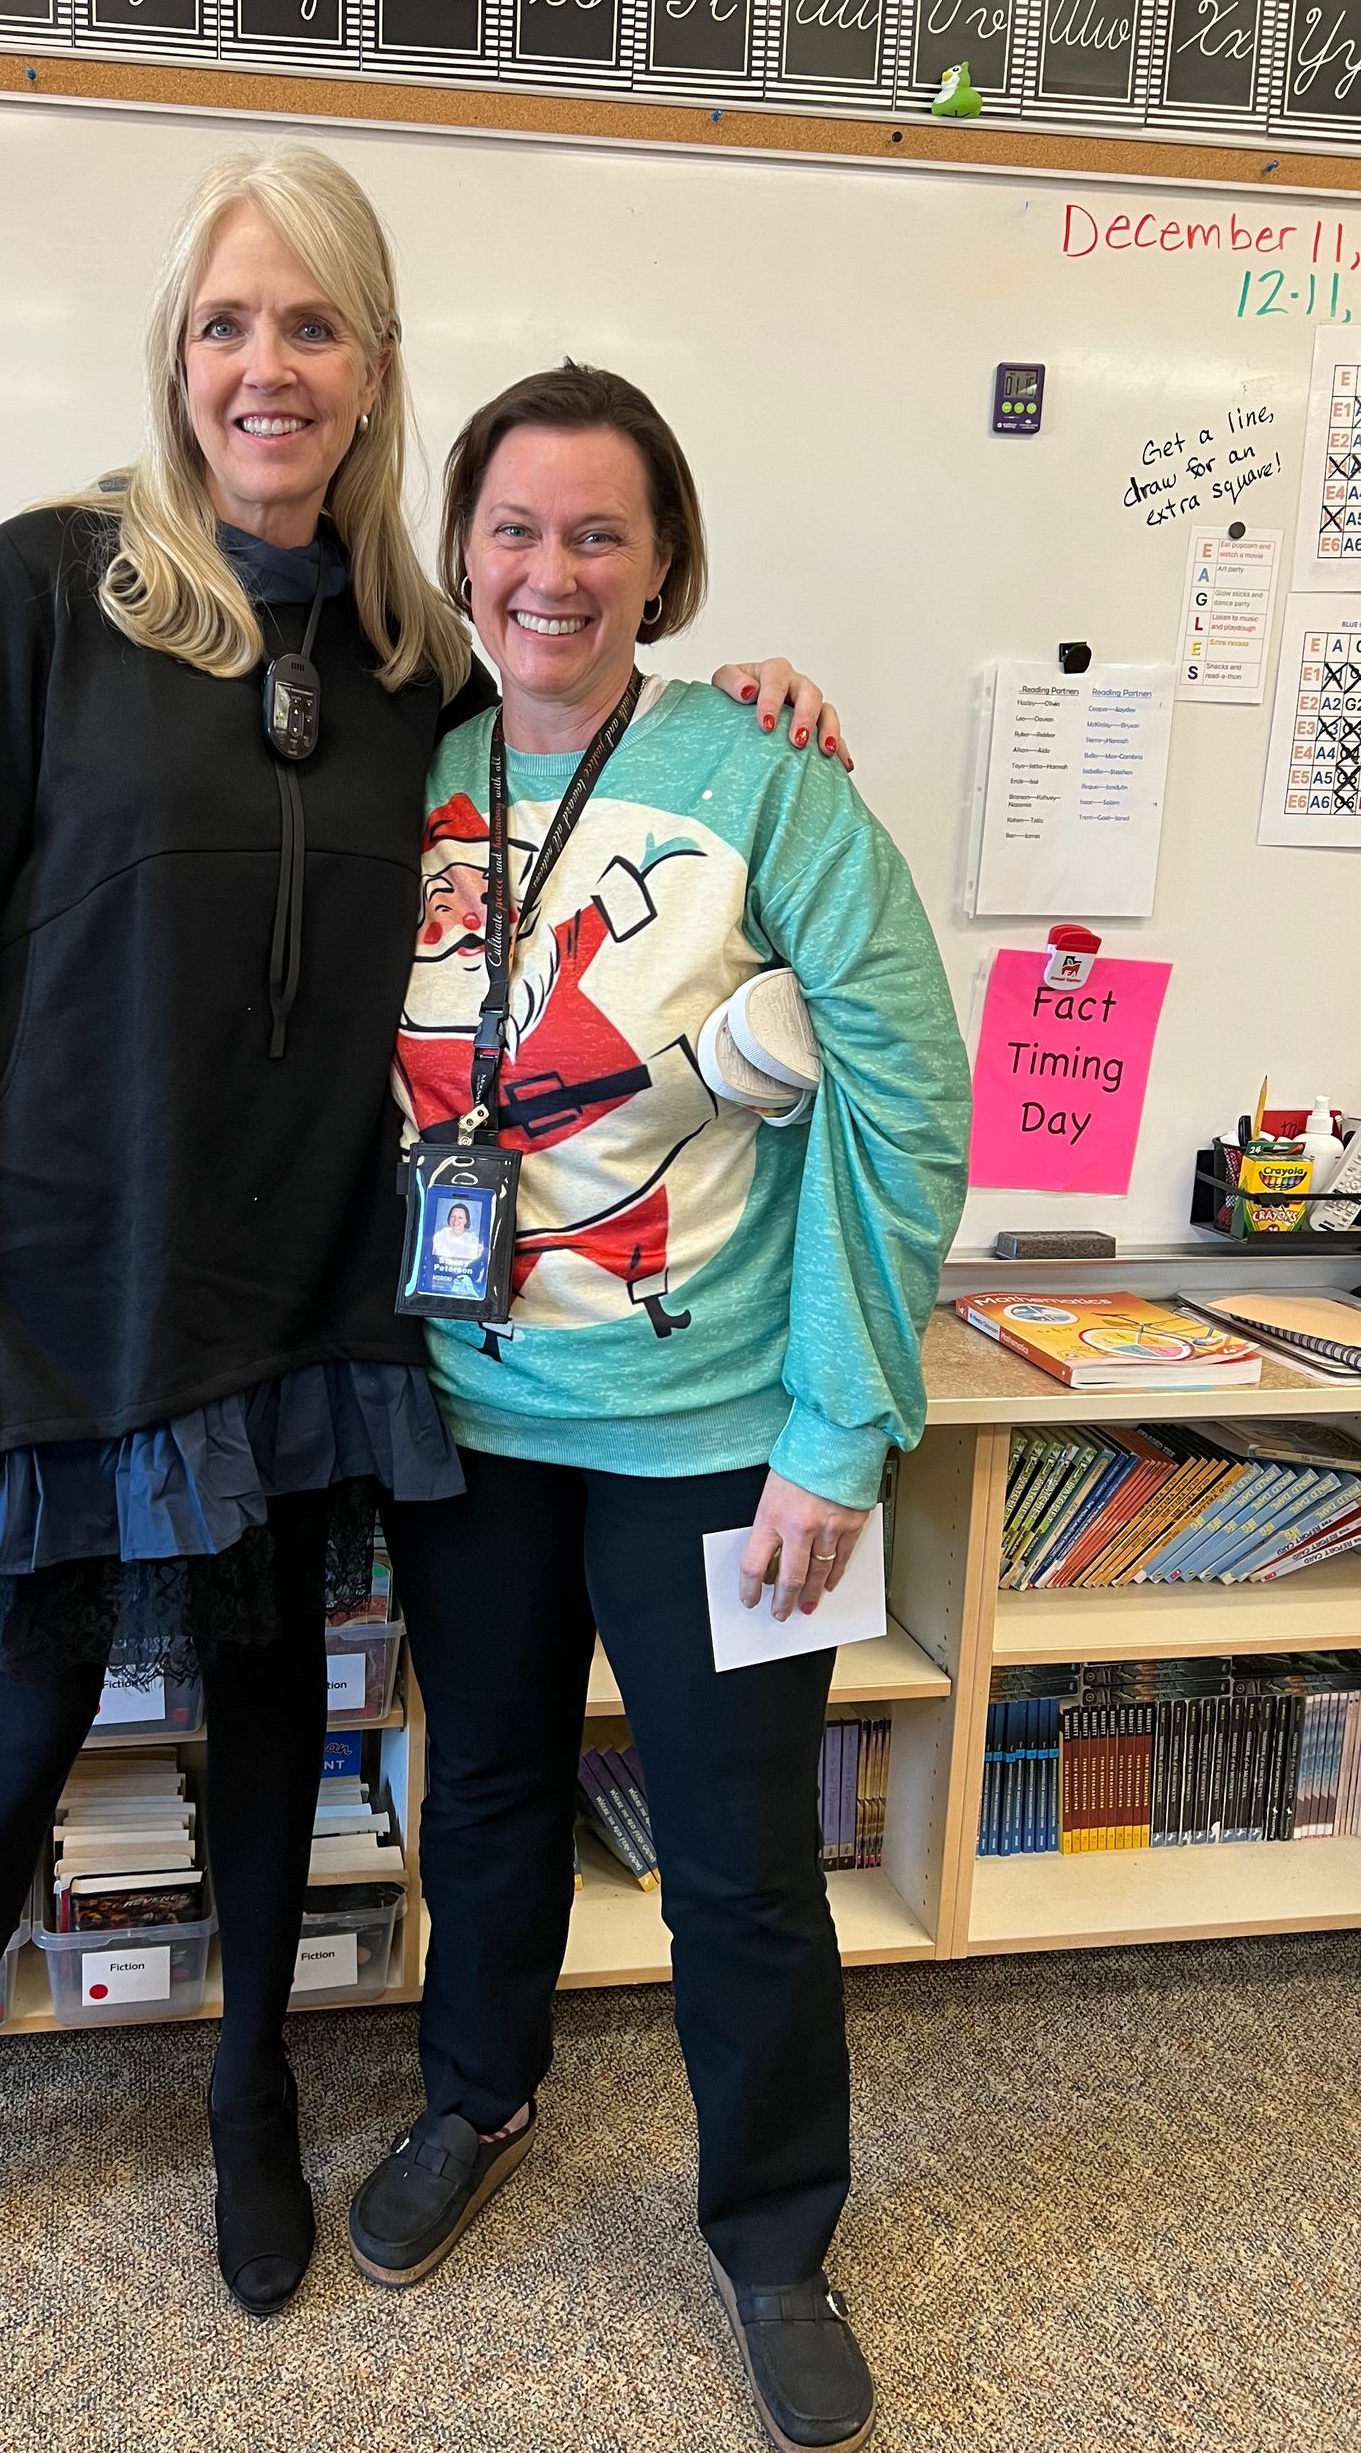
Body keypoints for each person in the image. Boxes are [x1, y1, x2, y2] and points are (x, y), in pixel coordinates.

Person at [0, 149, 844, 2325]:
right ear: (178, 358)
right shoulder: (45, 588)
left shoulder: (407, 650)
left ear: (370, 368)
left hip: (303, 1288)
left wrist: (749, 703)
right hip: (67, 1279)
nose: (268, 365)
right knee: (21, 1697)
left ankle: (253, 2083)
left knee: (279, 1705)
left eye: (314, 326)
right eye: (227, 325)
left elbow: (580, 713)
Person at [353, 364, 970, 2453]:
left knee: (737, 1856)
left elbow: (908, 1090)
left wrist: (837, 1424)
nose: (552, 571)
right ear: (462, 551)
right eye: (515, 529)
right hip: (465, 1419)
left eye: (600, 532)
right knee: (494, 1788)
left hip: (720, 1432)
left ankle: (779, 2230)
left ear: (666, 563)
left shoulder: (767, 775)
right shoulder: (402, 773)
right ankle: (476, 2093)